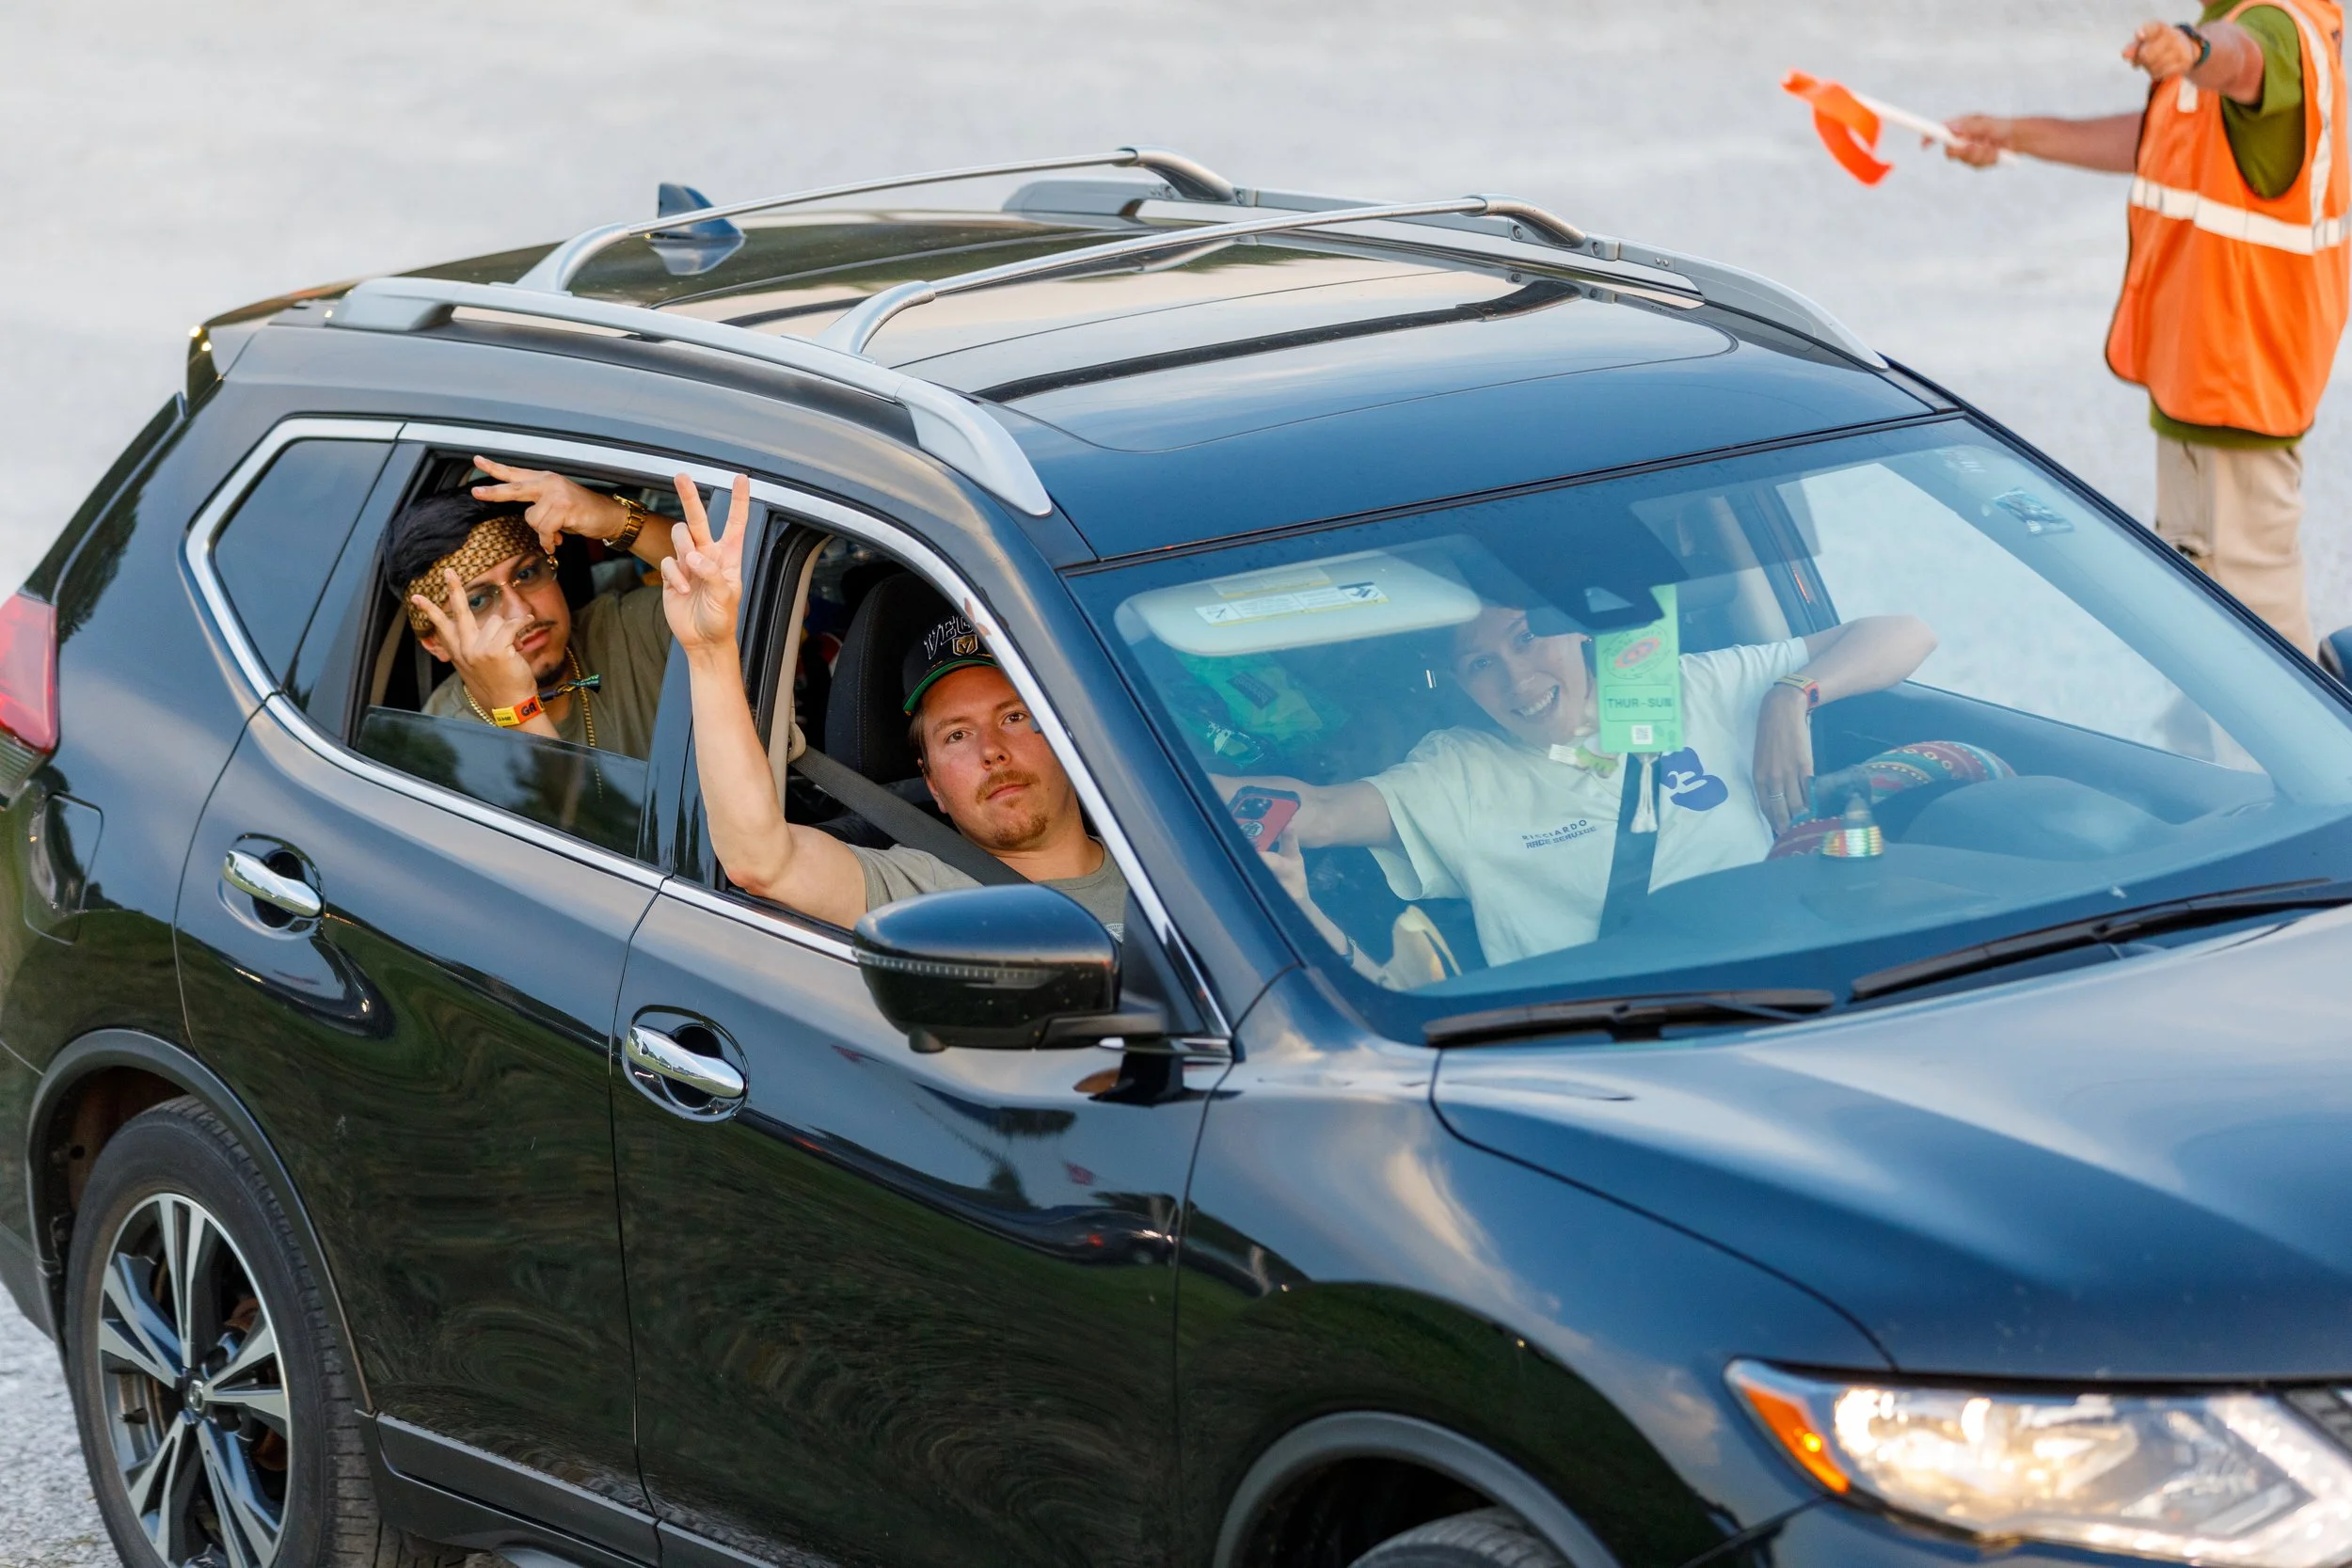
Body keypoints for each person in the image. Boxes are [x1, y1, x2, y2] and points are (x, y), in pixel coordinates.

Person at [1945, 8, 2349, 655]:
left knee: (2256, 649)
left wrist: (2192, 50)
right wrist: (2017, 135)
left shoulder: (2275, 23)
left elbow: (2242, 59)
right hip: (2211, 386)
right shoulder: (2240, 16)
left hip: (2234, 396)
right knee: (2207, 634)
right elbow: (2157, 135)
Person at [1223, 602, 1935, 969]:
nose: (1518, 679)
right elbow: (1319, 811)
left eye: (1526, 638)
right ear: (1462, 687)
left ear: (1575, 632)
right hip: (1601, 1049)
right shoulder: (1460, 772)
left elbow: (1906, 632)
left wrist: (1792, 693)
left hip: (1789, 990)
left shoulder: (1685, 688)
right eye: (1481, 665)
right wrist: (1163, 790)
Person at [661, 474, 1128, 932]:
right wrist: (710, 653)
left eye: (1013, 716)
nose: (991, 750)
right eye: (957, 735)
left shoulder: (1159, 860)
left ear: (1069, 739)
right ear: (933, 783)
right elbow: (762, 861)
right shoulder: (919, 893)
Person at [395, 457, 677, 758]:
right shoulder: (440, 748)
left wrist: (616, 520)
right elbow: (570, 792)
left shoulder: (628, 630)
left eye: (527, 574)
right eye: (477, 601)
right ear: (435, 643)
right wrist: (517, 707)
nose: (522, 613)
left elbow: (711, 591)